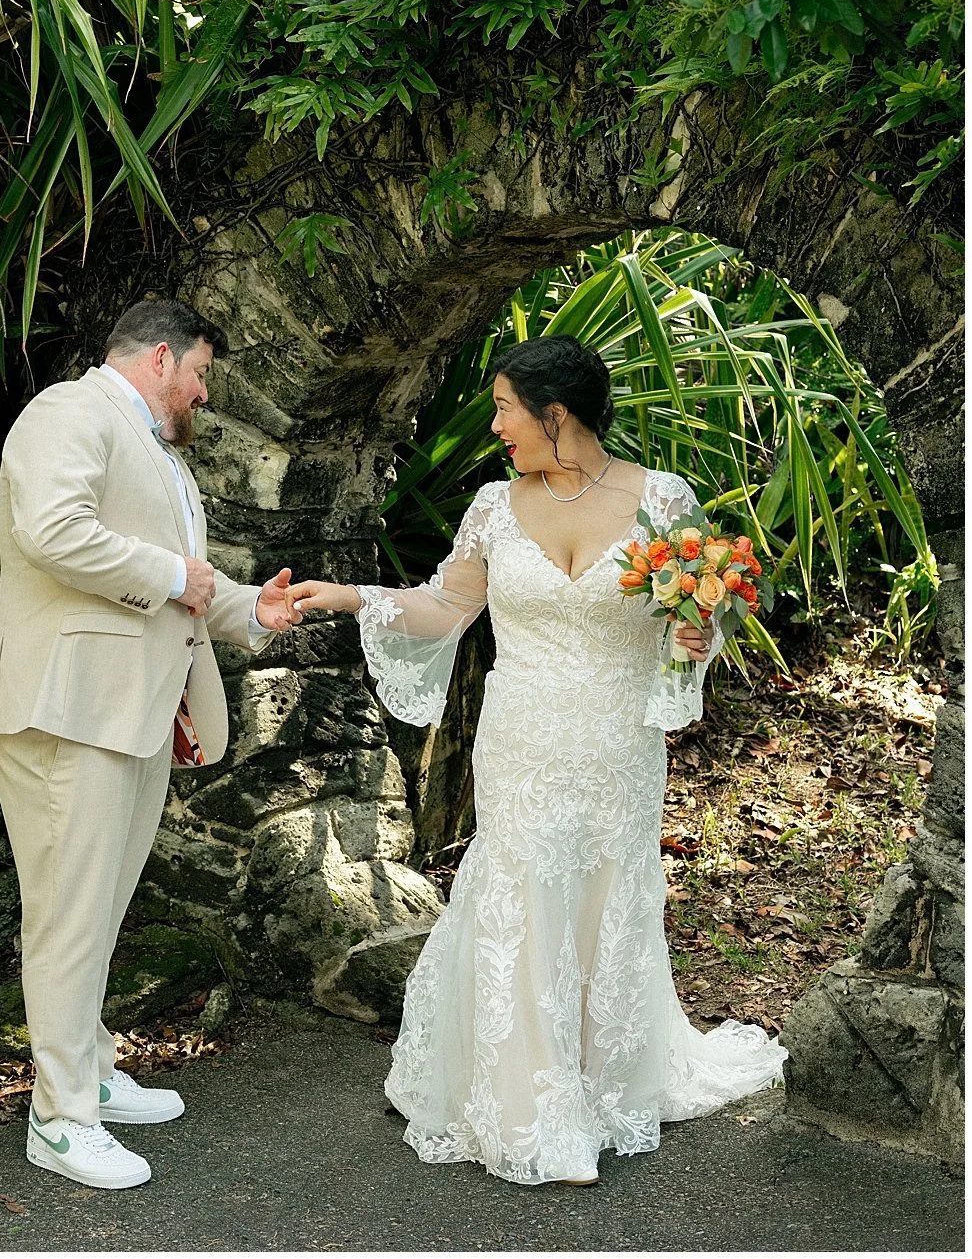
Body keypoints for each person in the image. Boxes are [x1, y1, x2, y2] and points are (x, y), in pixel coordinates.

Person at [287, 334, 786, 1185]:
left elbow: (701, 617)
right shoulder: (491, 503)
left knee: (602, 894)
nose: (495, 425)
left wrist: (701, 633)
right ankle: (537, 1107)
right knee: (522, 892)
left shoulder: (664, 500)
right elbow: (446, 604)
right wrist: (349, 595)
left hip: (615, 743)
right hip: (520, 738)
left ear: (556, 414)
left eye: (505, 407)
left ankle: (601, 1077)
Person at [0, 297, 298, 1190]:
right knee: (67, 914)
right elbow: (54, 533)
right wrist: (174, 573)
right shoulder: (67, 413)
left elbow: (186, 586)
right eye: (201, 373)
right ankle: (60, 1118)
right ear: (162, 358)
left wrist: (252, 609)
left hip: (130, 712)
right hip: (69, 708)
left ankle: (88, 1073)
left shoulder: (160, 459)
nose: (203, 392)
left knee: (100, 909)